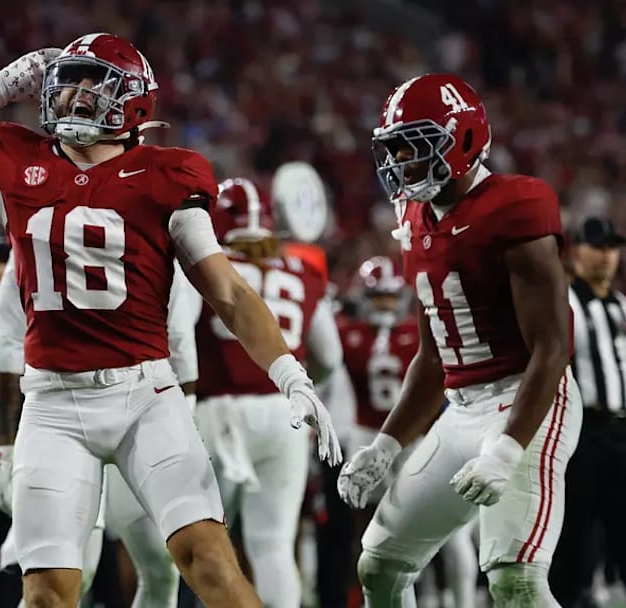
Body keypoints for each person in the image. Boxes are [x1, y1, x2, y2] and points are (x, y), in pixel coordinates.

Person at [0, 33, 341, 608]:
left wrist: (289, 374)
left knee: (207, 560)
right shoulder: (17, 162)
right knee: (47, 594)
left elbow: (225, 289)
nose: (74, 94)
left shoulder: (167, 175)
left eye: (92, 82)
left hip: (144, 394)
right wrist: (3, 83)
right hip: (51, 403)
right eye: (68, 79)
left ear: (134, 101)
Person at [337, 74, 580, 607]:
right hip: (460, 410)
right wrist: (386, 444)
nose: (400, 162)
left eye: (414, 147)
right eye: (394, 148)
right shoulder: (416, 217)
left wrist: (508, 449)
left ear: (462, 142)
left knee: (515, 580)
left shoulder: (516, 205)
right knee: (379, 565)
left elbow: (552, 349)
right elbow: (432, 359)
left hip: (529, 399)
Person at [0, 251, 198, 608]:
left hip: (141, 414)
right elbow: (9, 351)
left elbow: (180, 346)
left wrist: (4, 449)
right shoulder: (32, 238)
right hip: (68, 419)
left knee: (162, 564)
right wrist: (4, 448)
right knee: (67, 574)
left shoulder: (152, 241)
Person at [192, 176, 343, 608]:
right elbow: (328, 357)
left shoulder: (205, 264)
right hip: (284, 413)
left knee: (206, 543)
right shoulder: (303, 270)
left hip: (216, 411)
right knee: (274, 545)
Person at [335, 257, 477, 607]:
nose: (384, 305)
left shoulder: (351, 333)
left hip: (411, 440)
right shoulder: (400, 334)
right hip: (373, 436)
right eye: (378, 297)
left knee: (443, 537)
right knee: (373, 535)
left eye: (389, 297)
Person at [550, 217, 626, 606]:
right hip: (581, 432)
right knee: (575, 532)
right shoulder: (565, 303)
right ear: (576, 251)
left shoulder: (620, 305)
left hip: (620, 429)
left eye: (612, 247)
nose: (607, 256)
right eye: (598, 247)